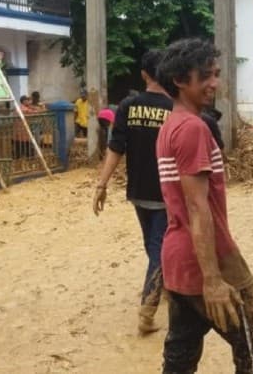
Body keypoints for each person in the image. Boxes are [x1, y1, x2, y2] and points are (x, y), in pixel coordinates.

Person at [155, 38, 253, 373]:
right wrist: (213, 280)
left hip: (177, 260)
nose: (214, 83)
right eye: (205, 75)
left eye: (216, 74)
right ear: (179, 80)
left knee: (180, 358)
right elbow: (197, 207)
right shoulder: (193, 128)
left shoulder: (170, 126)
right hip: (211, 259)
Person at [92, 49, 173, 334]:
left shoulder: (128, 106)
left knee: (153, 244)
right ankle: (147, 312)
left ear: (143, 74)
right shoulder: (175, 108)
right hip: (167, 192)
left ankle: (162, 287)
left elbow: (116, 147)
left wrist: (101, 184)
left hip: (137, 190)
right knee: (158, 248)